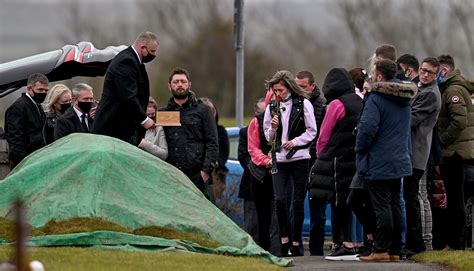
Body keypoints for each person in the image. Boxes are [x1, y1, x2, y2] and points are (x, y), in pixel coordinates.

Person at [356, 59, 417, 262]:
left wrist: (360, 149)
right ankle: (395, 249)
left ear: (380, 76)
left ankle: (381, 248)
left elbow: (367, 129)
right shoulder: (404, 98)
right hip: (399, 157)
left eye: (374, 73)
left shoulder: (376, 98)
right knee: (395, 205)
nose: (371, 76)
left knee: (381, 206)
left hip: (379, 159)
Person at [308, 68, 362, 260]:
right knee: (354, 201)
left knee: (338, 202)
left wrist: (321, 157)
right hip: (356, 159)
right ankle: (356, 242)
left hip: (338, 160)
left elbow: (323, 136)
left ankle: (343, 244)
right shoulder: (359, 101)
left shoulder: (336, 105)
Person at [263, 70, 317, 256]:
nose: (277, 94)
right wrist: (273, 128)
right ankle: (284, 239)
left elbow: (312, 131)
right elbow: (268, 136)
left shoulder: (304, 104)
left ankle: (296, 241)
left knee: (297, 201)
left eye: (280, 90)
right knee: (279, 200)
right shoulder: (272, 107)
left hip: (299, 158)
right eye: (275, 90)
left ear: (288, 88)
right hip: (279, 158)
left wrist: (295, 142)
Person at [402, 57, 442, 257]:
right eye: (423, 70)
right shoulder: (420, 89)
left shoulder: (430, 94)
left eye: (430, 73)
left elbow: (411, 118)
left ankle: (416, 243)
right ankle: (415, 242)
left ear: (437, 75)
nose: (425, 74)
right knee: (413, 197)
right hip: (413, 151)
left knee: (413, 198)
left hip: (417, 152)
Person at [434, 54, 474, 250]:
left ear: (444, 71)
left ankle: (456, 243)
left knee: (456, 199)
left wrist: (442, 141)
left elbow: (459, 121)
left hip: (455, 152)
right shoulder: (452, 87)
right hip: (456, 150)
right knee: (455, 197)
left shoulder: (453, 90)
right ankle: (454, 241)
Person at [161, 67, 219, 199]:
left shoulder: (203, 111)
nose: (180, 85)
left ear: (189, 85)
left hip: (197, 177)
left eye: (183, 81)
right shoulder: (163, 114)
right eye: (176, 82)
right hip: (171, 177)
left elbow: (213, 142)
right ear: (169, 86)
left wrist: (205, 172)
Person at [91, 32, 158, 144]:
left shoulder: (135, 61)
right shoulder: (126, 61)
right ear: (143, 48)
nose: (154, 55)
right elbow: (128, 96)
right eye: (152, 51)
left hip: (121, 128)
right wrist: (144, 119)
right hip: (112, 128)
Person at [5, 73, 49, 169]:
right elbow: (15, 139)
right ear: (29, 89)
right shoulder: (18, 107)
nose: (43, 93)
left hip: (37, 159)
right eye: (40, 90)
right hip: (25, 163)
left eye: (46, 90)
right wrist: (22, 165)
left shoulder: (37, 105)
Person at [237, 99, 265, 243]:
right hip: (251, 185)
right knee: (252, 225)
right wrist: (259, 167)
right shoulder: (245, 132)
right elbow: (243, 156)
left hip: (270, 186)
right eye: (262, 113)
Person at [199, 97, 229, 201]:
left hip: (215, 173)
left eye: (211, 111)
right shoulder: (195, 131)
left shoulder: (220, 131)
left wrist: (213, 165)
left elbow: (224, 154)